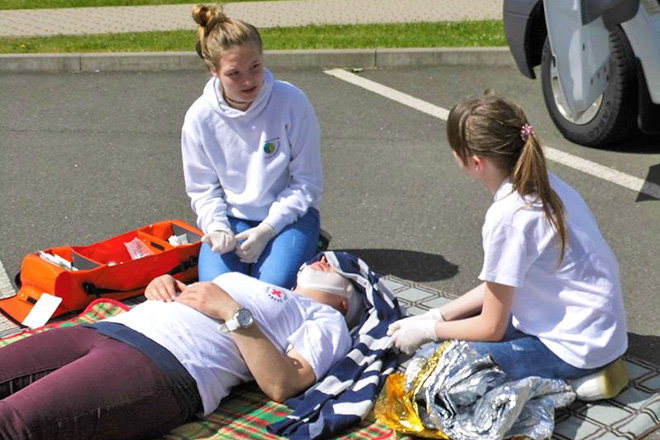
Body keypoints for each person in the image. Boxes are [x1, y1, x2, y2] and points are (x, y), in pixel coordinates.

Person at [388, 92, 628, 394]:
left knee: (428, 369)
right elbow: (502, 283)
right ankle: (588, 370)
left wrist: (429, 331)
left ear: (475, 162)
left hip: (577, 347)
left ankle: (567, 382)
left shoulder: (508, 216)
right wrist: (439, 315)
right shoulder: (545, 181)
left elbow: (491, 327)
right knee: (456, 335)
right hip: (600, 332)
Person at [0, 255, 356, 440]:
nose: (326, 260)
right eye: (326, 257)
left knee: (12, 424)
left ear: (347, 301)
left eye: (344, 269)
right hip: (111, 328)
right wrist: (166, 286)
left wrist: (233, 312)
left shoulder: (327, 319)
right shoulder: (258, 284)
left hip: (164, 363)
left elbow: (284, 384)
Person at [182, 4, 323, 289]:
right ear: (214, 71)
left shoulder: (291, 101)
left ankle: (306, 239)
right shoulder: (200, 117)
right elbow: (202, 188)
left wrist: (268, 229)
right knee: (218, 292)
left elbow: (307, 181)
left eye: (255, 67)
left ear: (263, 58)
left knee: (271, 288)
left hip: (288, 218)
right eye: (234, 73)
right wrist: (217, 227)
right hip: (232, 219)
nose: (248, 80)